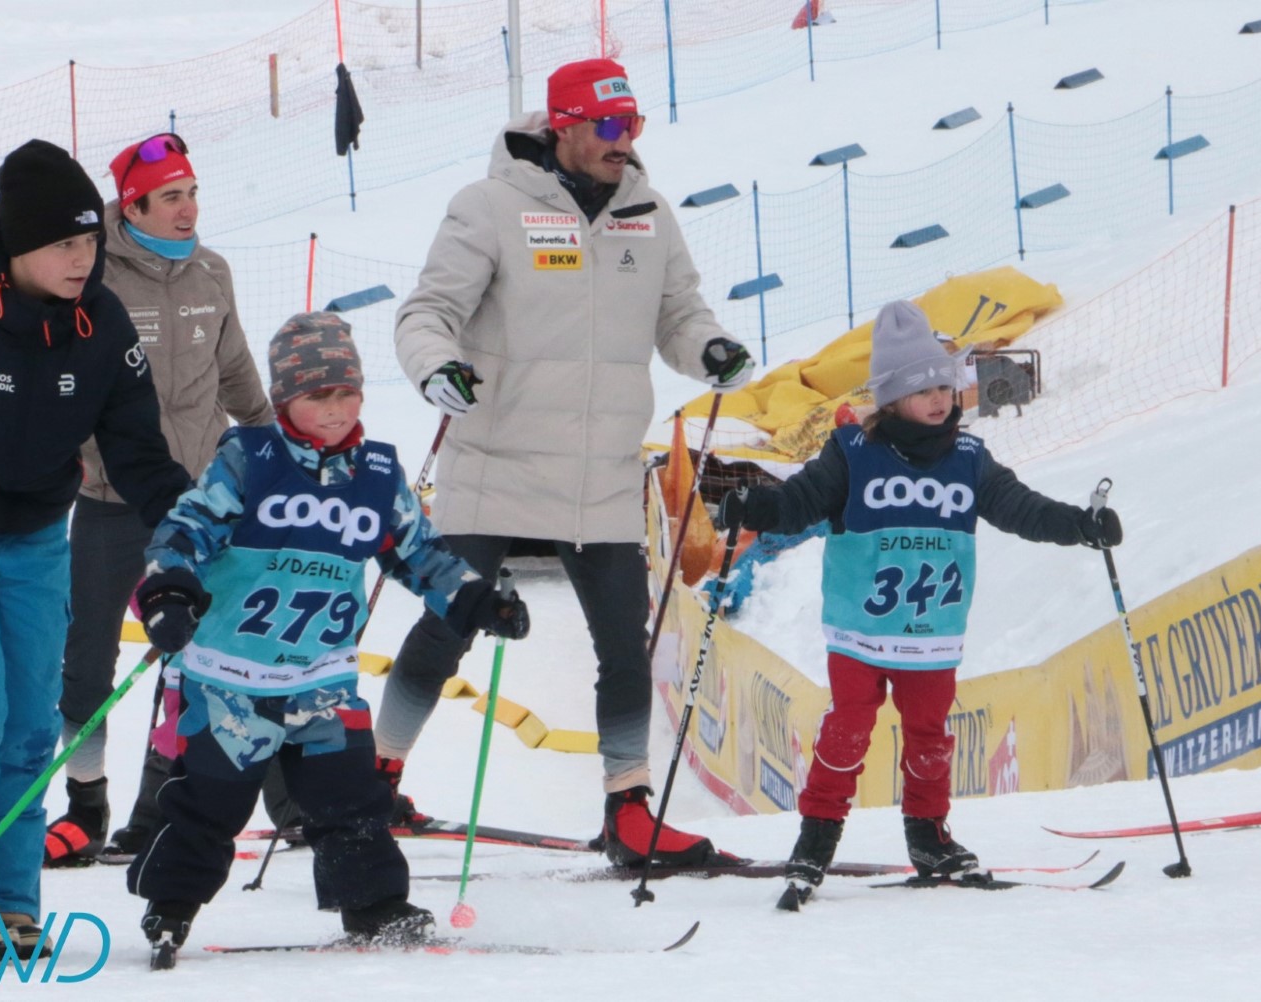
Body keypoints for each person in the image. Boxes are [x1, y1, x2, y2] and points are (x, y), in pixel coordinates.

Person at [386, 57, 753, 866]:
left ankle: (629, 809)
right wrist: (436, 368)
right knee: (447, 626)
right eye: (611, 126)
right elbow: (428, 313)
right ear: (565, 126)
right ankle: (376, 779)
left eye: (634, 125)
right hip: (497, 460)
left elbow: (680, 316)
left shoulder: (649, 213)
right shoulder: (490, 205)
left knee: (624, 645)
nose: (626, 141)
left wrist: (710, 348)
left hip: (601, 472)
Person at [124, 313, 530, 955]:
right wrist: (169, 591)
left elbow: (419, 554)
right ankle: (170, 907)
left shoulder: (377, 473)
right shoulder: (249, 460)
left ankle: (376, 907)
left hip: (321, 676)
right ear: (284, 399)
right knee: (211, 802)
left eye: (347, 392)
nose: (336, 408)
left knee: (351, 797)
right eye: (317, 395)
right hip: (230, 676)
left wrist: (477, 600)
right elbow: (185, 531)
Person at [714, 300, 1123, 905]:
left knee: (930, 736)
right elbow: (801, 503)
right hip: (860, 631)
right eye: (923, 389)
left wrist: (1080, 526)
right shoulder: (852, 451)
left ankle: (930, 838)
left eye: (944, 386)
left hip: (933, 633)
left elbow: (1021, 509)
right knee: (848, 730)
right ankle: (815, 841)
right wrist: (757, 507)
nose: (939, 399)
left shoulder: (969, 458)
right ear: (891, 399)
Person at [0, 139, 191, 965]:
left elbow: (140, 454)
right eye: (64, 243)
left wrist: (191, 536)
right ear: (20, 244)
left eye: (91, 240)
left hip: (32, 535)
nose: (83, 258)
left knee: (30, 727)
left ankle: (11, 904)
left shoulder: (103, 324)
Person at [41, 132, 280, 869]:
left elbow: (235, 370)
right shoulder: (94, 276)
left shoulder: (212, 270)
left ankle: (164, 807)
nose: (188, 209)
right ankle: (85, 804)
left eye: (192, 193)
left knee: (206, 651)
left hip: (201, 499)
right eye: (170, 197)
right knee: (86, 657)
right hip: (112, 497)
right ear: (132, 207)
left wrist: (273, 453)